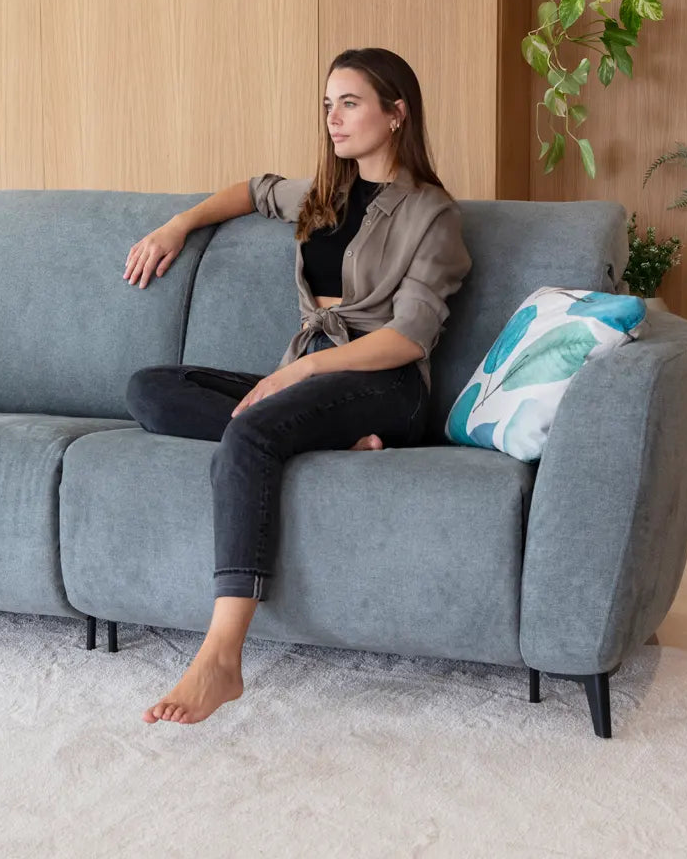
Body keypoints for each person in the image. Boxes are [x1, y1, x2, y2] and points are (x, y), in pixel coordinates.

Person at [120, 47, 473, 726]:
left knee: (252, 431)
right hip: (310, 384)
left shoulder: (433, 215)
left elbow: (410, 337)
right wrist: (176, 225)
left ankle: (221, 657)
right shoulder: (322, 195)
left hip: (385, 385)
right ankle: (316, 442)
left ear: (396, 114)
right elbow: (253, 191)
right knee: (150, 389)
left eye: (351, 104)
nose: (333, 119)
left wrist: (304, 369)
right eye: (328, 105)